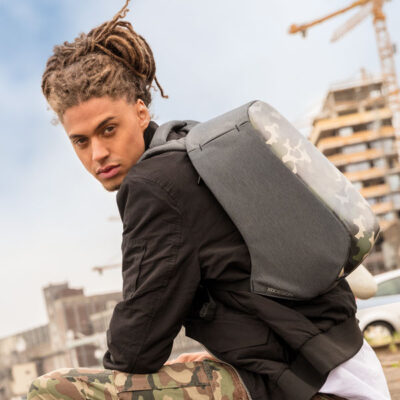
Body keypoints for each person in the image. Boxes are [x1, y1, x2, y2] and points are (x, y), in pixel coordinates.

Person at [29, 1, 390, 399]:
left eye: (108, 129)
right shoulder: (194, 148)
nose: (97, 154)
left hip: (309, 387)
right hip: (346, 370)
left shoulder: (156, 185)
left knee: (54, 390)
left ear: (141, 112)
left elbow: (135, 349)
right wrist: (218, 362)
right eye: (81, 141)